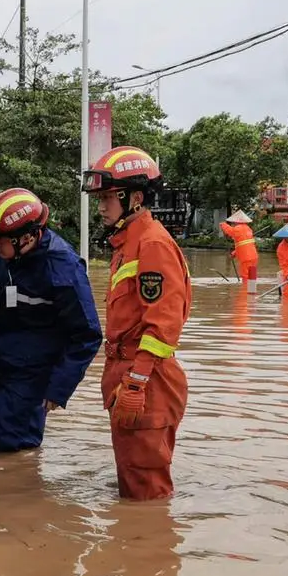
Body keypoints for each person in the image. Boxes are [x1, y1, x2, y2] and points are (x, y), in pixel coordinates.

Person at [82, 145, 192, 501]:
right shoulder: (127, 244)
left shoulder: (152, 244)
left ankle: (147, 552)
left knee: (147, 495)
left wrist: (137, 382)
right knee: (132, 481)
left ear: (136, 198)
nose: (101, 206)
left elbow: (163, 324)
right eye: (99, 198)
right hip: (129, 376)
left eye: (109, 197)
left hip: (146, 381)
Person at [0, 188, 103, 453]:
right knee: (0, 436)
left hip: (33, 373)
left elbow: (87, 335)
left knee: (15, 450)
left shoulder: (62, 268)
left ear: (26, 237)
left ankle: (22, 489)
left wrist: (58, 388)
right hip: (0, 363)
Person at [219, 210, 259, 291]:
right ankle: (252, 291)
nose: (233, 223)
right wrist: (235, 253)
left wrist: (223, 225)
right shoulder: (248, 229)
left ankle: (245, 293)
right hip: (253, 256)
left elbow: (230, 232)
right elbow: (243, 244)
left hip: (246, 257)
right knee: (252, 276)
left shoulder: (238, 228)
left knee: (245, 275)